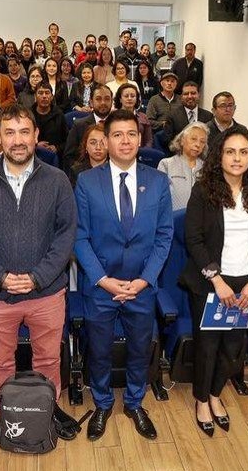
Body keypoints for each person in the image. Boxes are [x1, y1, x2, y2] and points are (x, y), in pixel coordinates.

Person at [0, 105, 78, 453]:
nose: (17, 140)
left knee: (48, 359)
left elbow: (65, 235)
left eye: (24, 132)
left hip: (45, 293)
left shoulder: (57, 180)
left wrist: (38, 277)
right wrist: (0, 278)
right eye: (9, 132)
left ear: (36, 136)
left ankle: (49, 412)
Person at [74, 109, 174, 441]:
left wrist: (144, 280)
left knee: (139, 348)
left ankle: (134, 402)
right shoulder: (87, 182)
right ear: (106, 140)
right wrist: (102, 279)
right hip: (101, 286)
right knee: (99, 349)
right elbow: (80, 237)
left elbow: (164, 236)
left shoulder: (158, 181)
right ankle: (102, 403)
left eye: (131, 133)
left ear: (140, 137)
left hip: (142, 286)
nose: (125, 140)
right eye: (117, 135)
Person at [179, 127, 248, 436]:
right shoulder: (204, 190)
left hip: (247, 284)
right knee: (207, 346)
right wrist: (216, 279)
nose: (237, 158)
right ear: (219, 155)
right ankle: (202, 400)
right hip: (211, 282)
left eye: (244, 152)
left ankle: (217, 394)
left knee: (233, 346)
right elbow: (193, 239)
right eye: (230, 152)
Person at [158, 122, 208, 211]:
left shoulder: (207, 168)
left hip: (200, 221)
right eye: (193, 139)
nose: (198, 144)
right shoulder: (166, 164)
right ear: (182, 140)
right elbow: (159, 198)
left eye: (202, 141)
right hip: (173, 220)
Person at [63, 84, 113, 171]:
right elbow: (69, 156)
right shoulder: (79, 125)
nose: (103, 103)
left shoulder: (117, 126)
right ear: (91, 102)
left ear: (112, 101)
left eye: (107, 99)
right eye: (98, 99)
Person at [32, 83, 69, 155]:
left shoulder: (59, 114)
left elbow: (67, 140)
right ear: (35, 96)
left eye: (47, 93)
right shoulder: (29, 115)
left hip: (54, 156)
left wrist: (57, 148)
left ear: (52, 97)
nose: (44, 96)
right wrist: (36, 145)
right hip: (33, 154)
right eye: (40, 93)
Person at [114, 83, 153, 148]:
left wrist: (144, 152)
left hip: (140, 152)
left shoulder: (143, 117)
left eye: (132, 96)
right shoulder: (113, 117)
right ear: (120, 99)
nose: (129, 98)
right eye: (126, 96)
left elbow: (149, 140)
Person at [145, 72, 181, 137]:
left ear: (176, 84)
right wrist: (163, 124)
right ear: (161, 83)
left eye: (172, 81)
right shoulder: (154, 99)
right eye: (167, 80)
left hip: (178, 135)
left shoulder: (181, 100)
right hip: (159, 135)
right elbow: (149, 121)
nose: (169, 83)